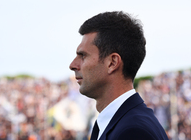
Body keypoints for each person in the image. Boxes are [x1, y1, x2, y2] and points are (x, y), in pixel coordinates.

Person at [69, 11, 169, 140]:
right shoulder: (118, 123)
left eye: (83, 55)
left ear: (112, 62)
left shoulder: (133, 132)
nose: (72, 65)